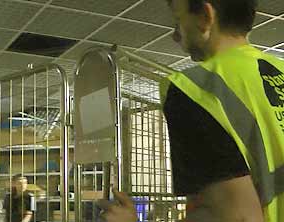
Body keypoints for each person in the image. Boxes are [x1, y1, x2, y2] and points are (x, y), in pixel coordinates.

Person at [101, 0, 284, 221]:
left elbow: (238, 217)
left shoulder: (194, 89)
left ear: (205, 17)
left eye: (179, 19)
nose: (175, 35)